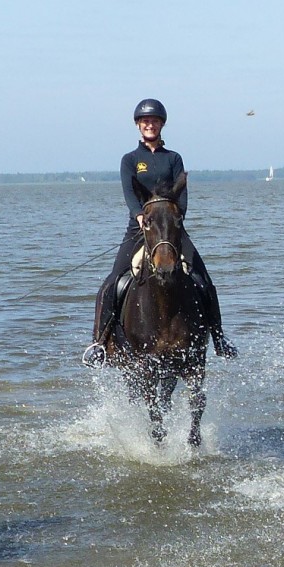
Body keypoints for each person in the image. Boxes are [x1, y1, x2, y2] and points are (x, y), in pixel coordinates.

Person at [82, 98, 237, 366]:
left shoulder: (173, 158)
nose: (150, 125)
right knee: (112, 282)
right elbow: (130, 194)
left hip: (171, 229)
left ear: (161, 124)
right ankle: (99, 343)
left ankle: (219, 338)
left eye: (154, 121)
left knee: (204, 281)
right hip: (140, 229)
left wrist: (175, 219)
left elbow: (182, 197)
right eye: (145, 121)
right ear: (138, 125)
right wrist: (139, 215)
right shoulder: (130, 160)